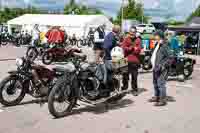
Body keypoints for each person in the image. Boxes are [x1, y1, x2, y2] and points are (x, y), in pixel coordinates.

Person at [149, 30, 173, 106]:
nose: (154, 37)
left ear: (159, 36)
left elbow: (171, 57)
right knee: (155, 83)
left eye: (155, 35)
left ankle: (162, 100)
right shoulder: (158, 44)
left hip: (161, 68)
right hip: (155, 67)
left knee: (160, 84)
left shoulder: (165, 45)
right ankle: (157, 96)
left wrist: (163, 65)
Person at [121, 27, 142, 96]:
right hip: (125, 60)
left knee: (134, 76)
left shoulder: (138, 40)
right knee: (125, 76)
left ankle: (134, 90)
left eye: (134, 32)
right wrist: (132, 48)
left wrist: (130, 48)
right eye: (131, 32)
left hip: (135, 60)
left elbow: (138, 50)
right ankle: (124, 88)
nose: (132, 33)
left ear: (136, 32)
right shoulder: (125, 39)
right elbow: (124, 48)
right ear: (129, 32)